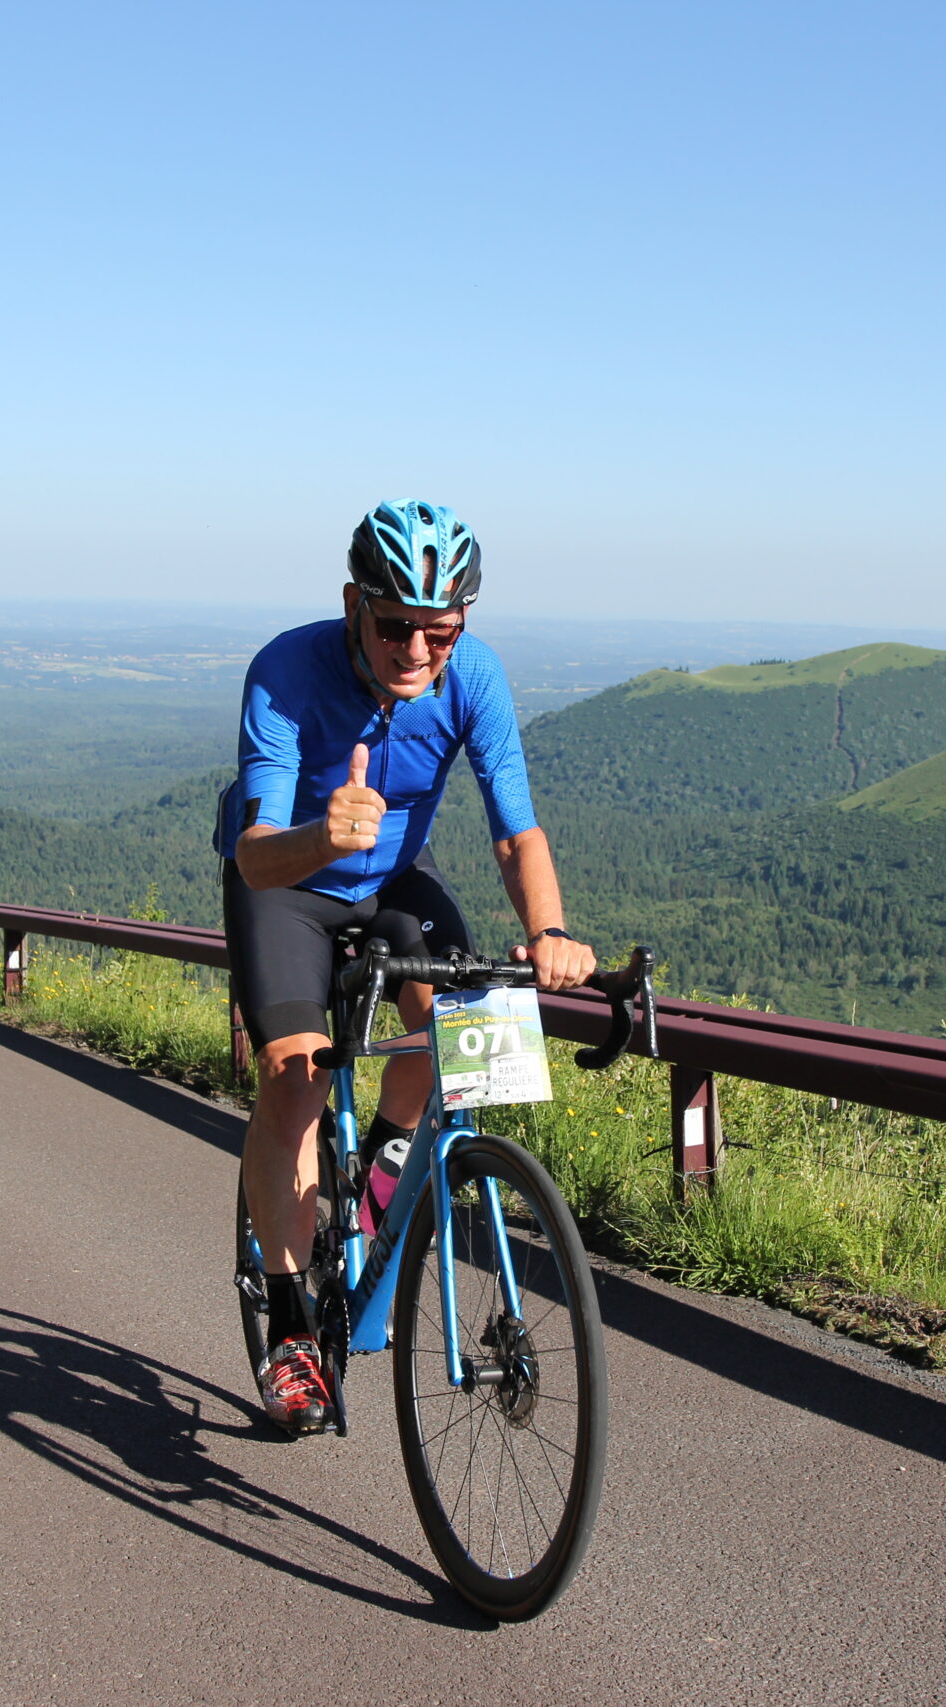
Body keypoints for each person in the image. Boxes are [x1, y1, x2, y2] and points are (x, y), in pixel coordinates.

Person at [217, 499, 596, 1433]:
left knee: (458, 1010)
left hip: (393, 878)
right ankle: (293, 1321)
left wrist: (550, 933)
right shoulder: (285, 672)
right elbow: (253, 853)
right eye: (395, 625)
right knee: (296, 1077)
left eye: (442, 630)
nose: (418, 650)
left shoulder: (475, 677)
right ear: (354, 603)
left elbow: (516, 832)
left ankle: (389, 1157)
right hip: (287, 881)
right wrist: (321, 832)